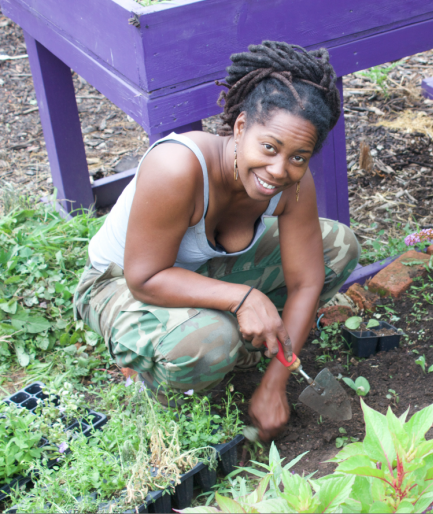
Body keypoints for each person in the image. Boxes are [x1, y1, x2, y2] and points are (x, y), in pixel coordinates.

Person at [73, 41, 360, 440]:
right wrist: (243, 298)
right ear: (241, 127)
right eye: (269, 147)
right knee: (210, 342)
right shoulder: (178, 168)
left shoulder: (294, 182)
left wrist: (275, 382)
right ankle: (154, 379)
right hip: (122, 282)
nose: (279, 170)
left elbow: (306, 282)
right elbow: (145, 277)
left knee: (338, 245)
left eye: (299, 156)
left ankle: (240, 348)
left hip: (200, 272)